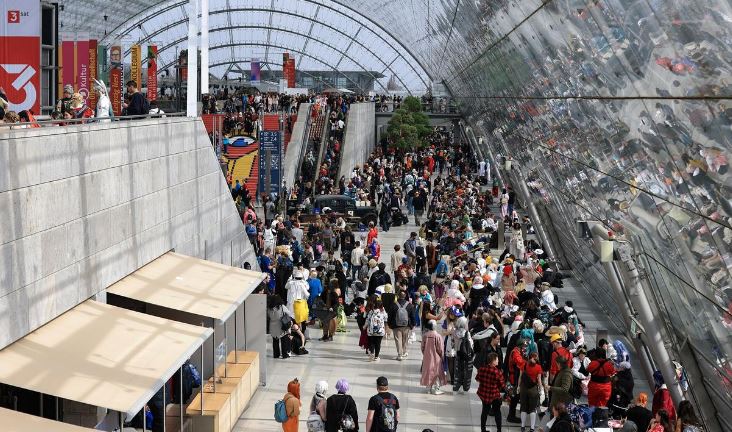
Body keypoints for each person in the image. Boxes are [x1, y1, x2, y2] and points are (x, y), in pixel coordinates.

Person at [476, 352, 505, 432]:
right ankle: (499, 430)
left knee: (484, 412)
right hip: (494, 395)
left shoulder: (482, 369)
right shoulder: (497, 372)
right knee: (497, 412)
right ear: (493, 361)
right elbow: (502, 385)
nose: (498, 361)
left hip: (484, 394)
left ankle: (483, 429)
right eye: (497, 359)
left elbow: (477, 379)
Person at [387, 289, 415, 360]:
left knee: (398, 339)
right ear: (405, 296)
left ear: (398, 296)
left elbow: (390, 316)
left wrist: (389, 324)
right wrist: (412, 325)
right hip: (406, 325)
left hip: (396, 325)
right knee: (405, 339)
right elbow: (412, 316)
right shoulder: (410, 305)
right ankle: (404, 352)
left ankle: (400, 355)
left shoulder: (393, 305)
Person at [421, 320, 447, 394]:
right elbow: (440, 348)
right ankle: (436, 388)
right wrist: (442, 356)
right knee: (436, 372)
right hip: (436, 357)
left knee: (428, 371)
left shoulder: (425, 335)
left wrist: (425, 354)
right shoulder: (438, 336)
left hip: (427, 357)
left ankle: (428, 388)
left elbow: (422, 347)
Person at [519, 352, 543, 432]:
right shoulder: (538, 367)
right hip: (533, 389)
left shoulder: (524, 365)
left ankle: (522, 426)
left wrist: (518, 386)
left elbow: (520, 377)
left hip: (523, 388)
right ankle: (532, 428)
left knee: (523, 407)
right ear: (536, 358)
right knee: (533, 409)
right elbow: (539, 380)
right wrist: (541, 389)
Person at [452, 316, 475, 394]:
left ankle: (456, 388)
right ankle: (465, 389)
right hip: (467, 355)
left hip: (458, 354)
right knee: (467, 372)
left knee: (458, 372)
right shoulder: (467, 333)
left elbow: (452, 344)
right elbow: (471, 344)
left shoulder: (454, 332)